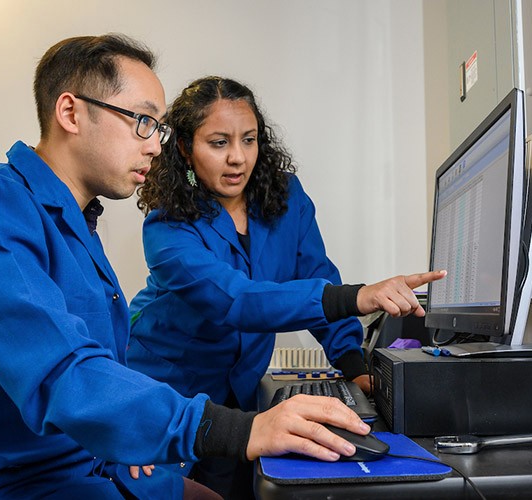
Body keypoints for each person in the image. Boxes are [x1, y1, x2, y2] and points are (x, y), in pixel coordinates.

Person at [0, 35, 378, 499]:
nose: (154, 144)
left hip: (75, 452)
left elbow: (95, 368)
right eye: (142, 122)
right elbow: (64, 375)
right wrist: (233, 428)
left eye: (159, 127)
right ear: (70, 112)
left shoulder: (73, 222)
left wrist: (123, 438)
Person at [128, 76, 446, 497]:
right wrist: (357, 295)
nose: (238, 158)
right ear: (185, 148)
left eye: (249, 139)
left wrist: (354, 366)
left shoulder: (286, 198)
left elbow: (317, 274)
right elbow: (234, 299)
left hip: (239, 397)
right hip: (165, 390)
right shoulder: (167, 224)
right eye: (219, 143)